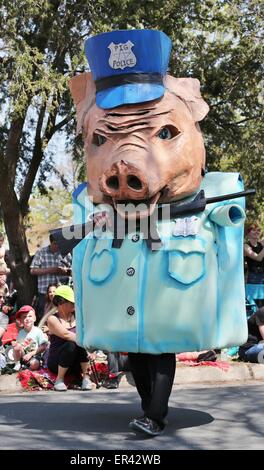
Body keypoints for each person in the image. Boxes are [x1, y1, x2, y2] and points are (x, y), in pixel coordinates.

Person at [66, 29, 247, 437]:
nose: (126, 166)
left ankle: (155, 415)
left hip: (166, 301)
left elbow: (229, 222)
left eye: (163, 133)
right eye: (103, 138)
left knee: (159, 349)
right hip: (126, 307)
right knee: (135, 355)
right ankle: (150, 408)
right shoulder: (91, 207)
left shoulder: (214, 195)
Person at [46, 285, 93, 392]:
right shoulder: (52, 319)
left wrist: (92, 350)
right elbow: (66, 335)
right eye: (71, 301)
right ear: (61, 302)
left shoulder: (78, 317)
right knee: (74, 342)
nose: (74, 304)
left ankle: (86, 378)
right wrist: (87, 344)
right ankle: (59, 379)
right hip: (57, 362)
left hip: (76, 362)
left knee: (79, 342)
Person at [30, 234, 72, 321]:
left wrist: (64, 271)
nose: (57, 246)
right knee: (43, 319)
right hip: (44, 293)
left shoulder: (65, 253)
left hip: (61, 293)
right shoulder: (41, 252)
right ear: (51, 242)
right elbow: (33, 270)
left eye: (59, 244)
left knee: (62, 317)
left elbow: (72, 271)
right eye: (55, 244)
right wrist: (51, 270)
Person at [12, 305, 48, 371]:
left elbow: (43, 346)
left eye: (30, 316)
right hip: (23, 356)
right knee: (16, 347)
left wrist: (30, 354)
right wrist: (16, 345)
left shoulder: (38, 331)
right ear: (21, 320)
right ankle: (17, 363)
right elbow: (19, 347)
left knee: (35, 364)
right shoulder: (21, 332)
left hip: (34, 356)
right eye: (24, 317)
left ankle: (28, 368)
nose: (27, 318)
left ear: (34, 318)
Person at [244, 224, 264, 308]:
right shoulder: (245, 246)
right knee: (254, 306)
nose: (257, 232)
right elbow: (258, 258)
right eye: (253, 230)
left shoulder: (261, 245)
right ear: (248, 233)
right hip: (253, 279)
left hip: (263, 278)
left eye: (258, 230)